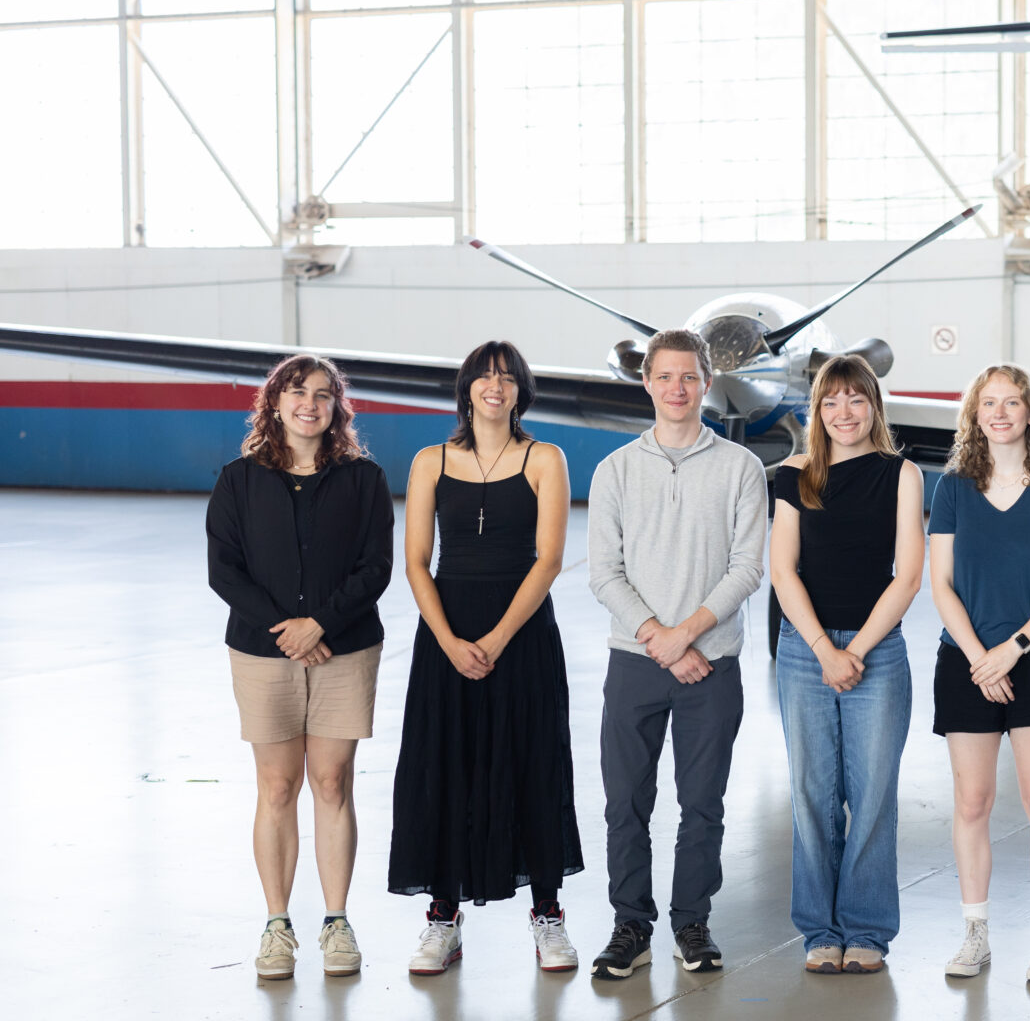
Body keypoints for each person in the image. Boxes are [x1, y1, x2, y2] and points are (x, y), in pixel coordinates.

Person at [387, 340, 585, 975]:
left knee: (532, 760)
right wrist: (447, 640)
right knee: (445, 763)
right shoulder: (429, 461)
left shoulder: (544, 459)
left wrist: (498, 639)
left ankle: (549, 915)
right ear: (466, 389)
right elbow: (417, 561)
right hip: (446, 630)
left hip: (520, 632)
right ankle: (442, 919)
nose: (494, 388)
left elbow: (548, 559)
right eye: (484, 378)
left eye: (507, 379)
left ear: (521, 391)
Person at [587, 329, 767, 979]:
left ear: (706, 381)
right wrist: (661, 641)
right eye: (664, 377)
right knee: (626, 803)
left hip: (711, 666)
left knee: (703, 805)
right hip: (635, 661)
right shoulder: (616, 470)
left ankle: (693, 923)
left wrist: (685, 635)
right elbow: (603, 571)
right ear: (647, 383)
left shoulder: (741, 469)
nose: (677, 388)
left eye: (688, 377)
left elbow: (748, 568)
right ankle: (629, 926)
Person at [207, 354, 393, 980]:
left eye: (322, 394)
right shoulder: (238, 479)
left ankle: (337, 924)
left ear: (337, 407)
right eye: (296, 392)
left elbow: (376, 568)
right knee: (278, 787)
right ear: (275, 401)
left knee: (333, 783)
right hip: (263, 652)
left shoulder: (363, 478)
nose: (309, 404)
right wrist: (289, 631)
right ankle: (276, 926)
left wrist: (323, 625)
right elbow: (224, 570)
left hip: (346, 649)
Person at [928, 363, 1030, 985]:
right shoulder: (951, 488)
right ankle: (975, 935)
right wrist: (979, 657)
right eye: (988, 403)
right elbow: (941, 586)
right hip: (967, 660)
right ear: (974, 414)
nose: (1000, 413)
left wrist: (1014, 648)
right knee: (972, 802)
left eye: (1012, 403)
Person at [768, 354, 925, 975]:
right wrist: (823, 651)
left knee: (873, 795)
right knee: (811, 795)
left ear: (874, 407)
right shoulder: (794, 472)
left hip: (877, 651)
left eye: (855, 399)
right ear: (816, 411)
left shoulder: (901, 473)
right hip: (805, 653)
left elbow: (908, 576)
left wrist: (854, 652)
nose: (843, 412)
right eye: (830, 401)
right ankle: (819, 932)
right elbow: (783, 570)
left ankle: (866, 930)